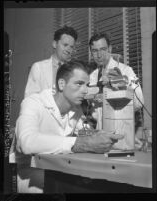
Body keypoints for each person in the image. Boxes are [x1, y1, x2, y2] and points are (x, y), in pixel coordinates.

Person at [14, 60, 124, 193]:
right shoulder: (33, 103)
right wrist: (80, 143)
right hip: (29, 175)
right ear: (61, 84)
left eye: (87, 85)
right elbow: (27, 142)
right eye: (79, 84)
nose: (85, 90)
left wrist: (102, 135)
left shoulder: (76, 110)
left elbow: (86, 133)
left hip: (57, 170)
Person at [88, 32, 144, 130]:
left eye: (103, 49)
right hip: (100, 133)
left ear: (110, 49)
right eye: (95, 51)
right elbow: (94, 110)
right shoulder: (92, 76)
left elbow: (140, 102)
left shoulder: (126, 70)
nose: (99, 55)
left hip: (122, 130)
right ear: (91, 53)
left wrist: (122, 89)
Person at [24, 25, 78, 97]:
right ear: (55, 44)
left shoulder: (74, 72)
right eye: (65, 45)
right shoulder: (38, 68)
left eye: (71, 47)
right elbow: (30, 99)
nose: (68, 50)